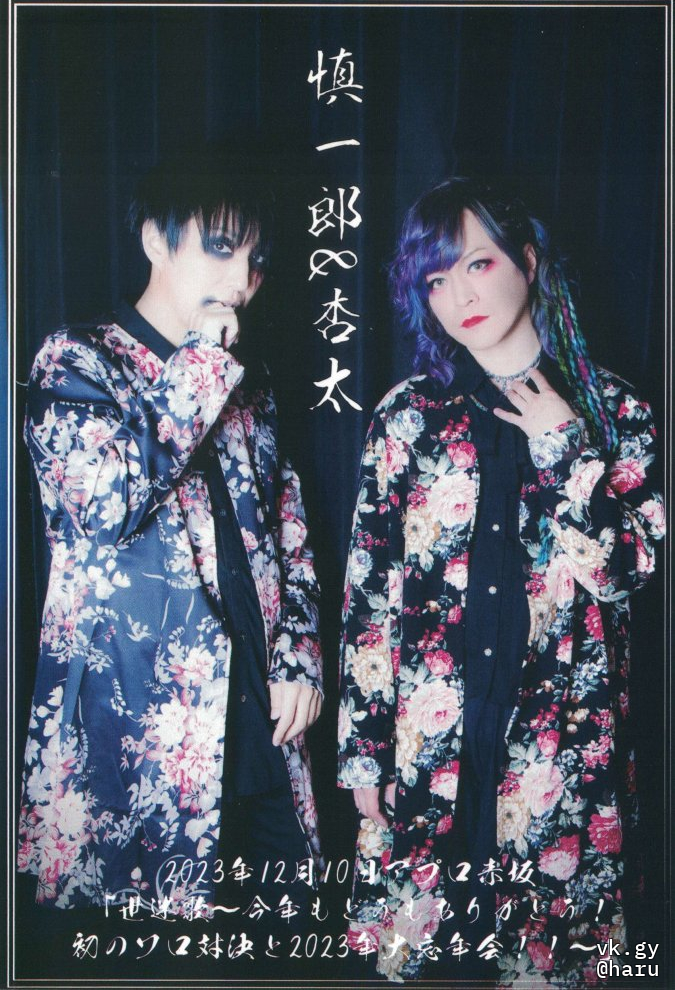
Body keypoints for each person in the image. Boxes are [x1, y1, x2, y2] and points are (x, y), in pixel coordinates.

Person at [337, 178, 664, 985]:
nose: (458, 297)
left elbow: (626, 575)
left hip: (559, 752)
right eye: (435, 279)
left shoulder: (614, 412)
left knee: (544, 961)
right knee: (427, 961)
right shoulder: (406, 416)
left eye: (477, 264)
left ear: (526, 260)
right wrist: (363, 754)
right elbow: (369, 596)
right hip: (430, 748)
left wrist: (563, 447)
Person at [17, 146, 324, 954]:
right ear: (156, 238)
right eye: (220, 248)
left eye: (254, 260)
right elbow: (104, 506)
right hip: (138, 730)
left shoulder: (248, 380)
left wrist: (299, 655)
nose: (240, 279)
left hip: (259, 718)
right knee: (151, 955)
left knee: (280, 946)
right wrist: (200, 366)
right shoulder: (76, 359)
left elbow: (288, 529)